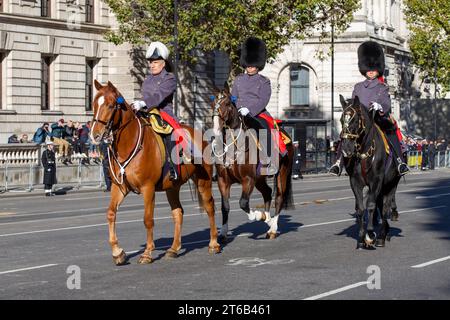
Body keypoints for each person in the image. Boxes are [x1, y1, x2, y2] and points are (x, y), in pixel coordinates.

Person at [329, 41, 409, 176]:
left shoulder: (382, 87)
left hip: (377, 118)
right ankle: (338, 163)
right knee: (346, 133)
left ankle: (399, 161)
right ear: (364, 69)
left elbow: (387, 104)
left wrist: (380, 106)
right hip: (360, 120)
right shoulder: (358, 87)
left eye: (373, 69)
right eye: (368, 69)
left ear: (378, 69)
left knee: (391, 132)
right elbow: (354, 102)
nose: (371, 72)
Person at [231, 37, 287, 175]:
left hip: (257, 113)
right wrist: (238, 108)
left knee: (264, 129)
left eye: (253, 65)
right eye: (248, 65)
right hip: (238, 112)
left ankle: (268, 160)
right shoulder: (238, 80)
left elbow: (263, 100)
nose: (250, 67)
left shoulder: (264, 81)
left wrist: (249, 110)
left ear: (258, 65)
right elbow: (233, 97)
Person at [131, 41, 180, 181]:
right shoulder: (147, 80)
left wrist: (144, 103)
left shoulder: (169, 78)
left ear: (163, 63)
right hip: (147, 113)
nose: (152, 65)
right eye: (150, 62)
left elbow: (159, 96)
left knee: (168, 134)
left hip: (163, 114)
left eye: (155, 62)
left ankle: (173, 167)